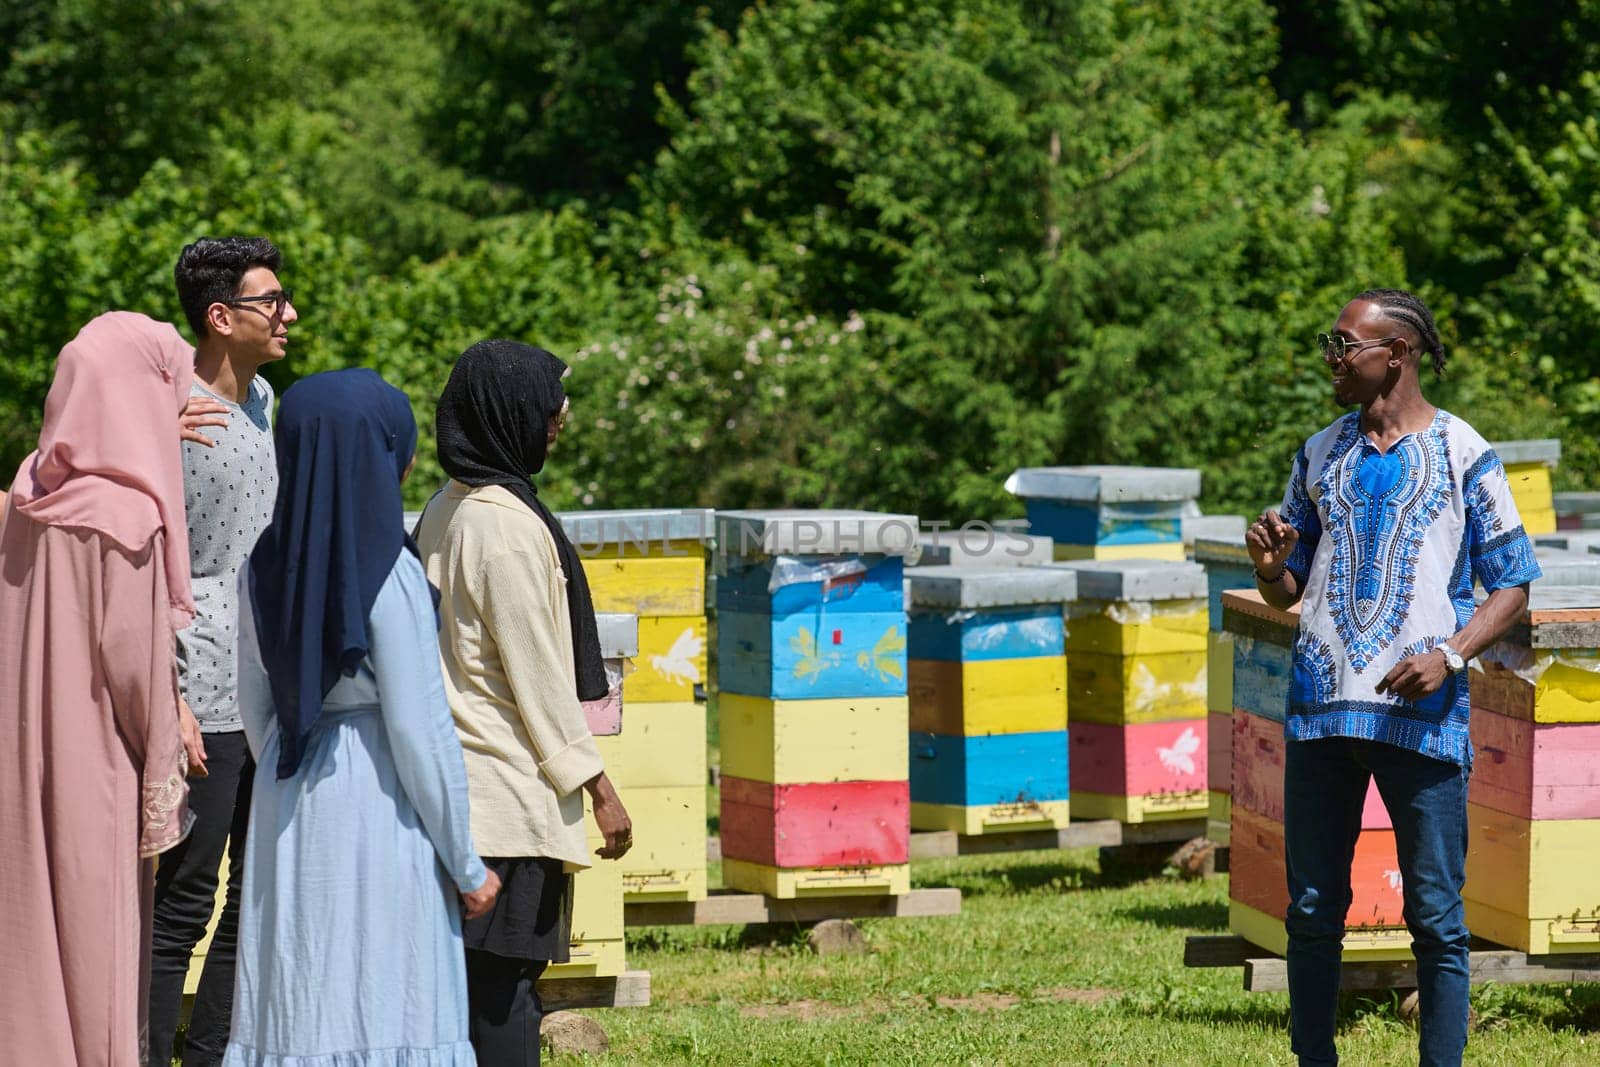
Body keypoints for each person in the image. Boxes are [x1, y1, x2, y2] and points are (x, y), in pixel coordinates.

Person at [1247, 288, 1542, 1066]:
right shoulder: (1318, 451)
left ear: (1397, 356)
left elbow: (1511, 583)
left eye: (1345, 345)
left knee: (1436, 916)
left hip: (1424, 718)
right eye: (1331, 345)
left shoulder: (1462, 450)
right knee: (1312, 910)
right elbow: (1294, 584)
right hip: (1319, 715)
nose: (1332, 360)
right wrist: (1272, 569)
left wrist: (1450, 653)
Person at [225, 368, 499, 1067]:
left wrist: (299, 758)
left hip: (290, 795)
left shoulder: (260, 564)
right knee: (387, 989)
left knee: (301, 987)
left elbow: (257, 712)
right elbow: (419, 729)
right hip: (379, 801)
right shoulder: (391, 572)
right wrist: (466, 864)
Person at [416, 340, 631, 1067]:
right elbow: (537, 677)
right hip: (506, 800)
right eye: (548, 407)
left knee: (471, 993)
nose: (559, 420)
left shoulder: (447, 508)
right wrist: (599, 787)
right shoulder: (504, 527)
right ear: (506, 412)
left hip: (457, 790)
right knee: (506, 997)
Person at [0, 311, 199, 1065]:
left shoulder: (25, 493)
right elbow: (134, 665)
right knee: (96, 940)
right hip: (96, 764)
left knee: (28, 934)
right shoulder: (128, 518)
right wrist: (165, 749)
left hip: (20, 753)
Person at [149, 235, 297, 1067]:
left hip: (265, 677)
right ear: (219, 316)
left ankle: (210, 1054)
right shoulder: (169, 412)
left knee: (255, 895)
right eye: (271, 300)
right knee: (186, 895)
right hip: (199, 675)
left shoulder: (266, 399)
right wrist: (167, 694)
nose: (289, 313)